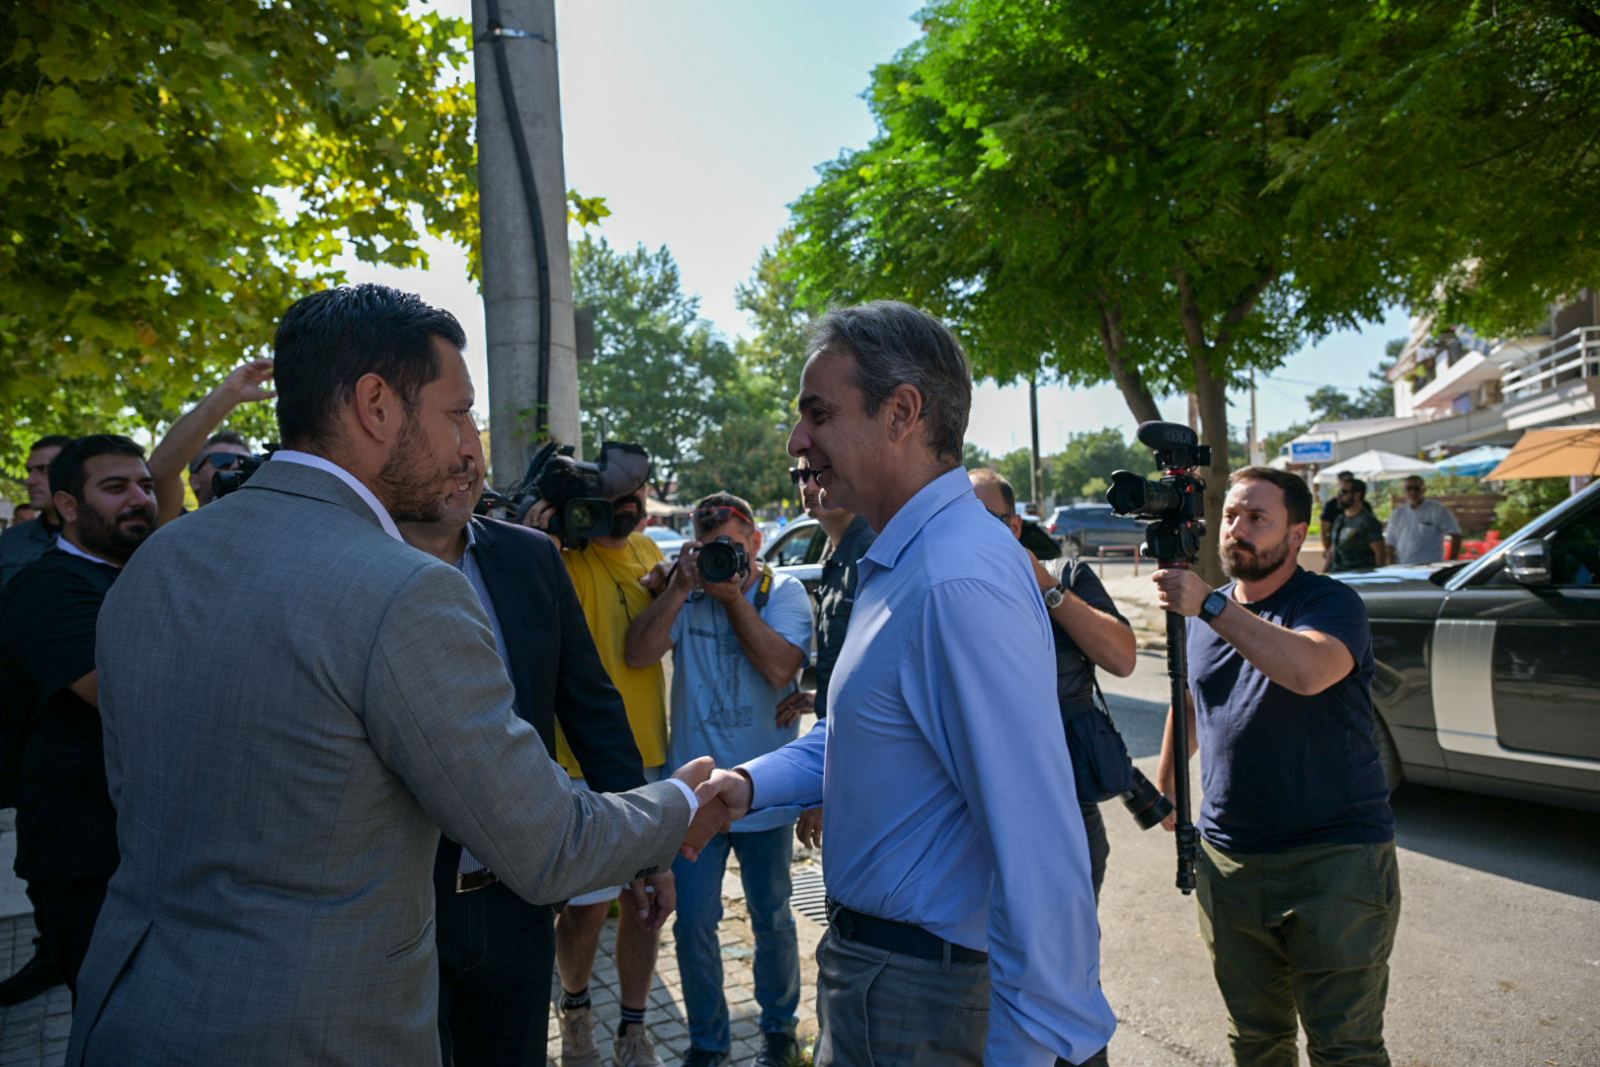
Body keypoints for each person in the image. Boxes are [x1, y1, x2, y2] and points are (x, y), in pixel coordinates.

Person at [65, 283, 728, 1067]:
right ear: (376, 405)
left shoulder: (157, 560)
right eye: (458, 413)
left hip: (128, 1010)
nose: (469, 445)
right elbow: (547, 842)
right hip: (314, 1029)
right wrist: (679, 802)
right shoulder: (402, 590)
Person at [696, 301, 1114, 1066]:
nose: (797, 441)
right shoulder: (909, 560)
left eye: (819, 413)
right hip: (892, 983)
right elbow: (869, 734)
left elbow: (1039, 850)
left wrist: (1034, 1051)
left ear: (902, 412)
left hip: (923, 995)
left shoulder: (954, 578)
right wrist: (748, 785)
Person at [398, 429, 662, 1067]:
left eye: (471, 422)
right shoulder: (360, 561)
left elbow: (593, 708)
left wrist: (646, 852)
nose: (466, 449)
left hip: (517, 898)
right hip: (403, 905)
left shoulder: (530, 557)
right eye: (448, 419)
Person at [1152, 465, 1400, 1067]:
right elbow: (1192, 698)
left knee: (1345, 1048)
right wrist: (1168, 787)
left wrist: (1210, 605)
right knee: (1256, 1039)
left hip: (1333, 861)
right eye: (1230, 516)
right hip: (1229, 861)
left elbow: (1308, 671)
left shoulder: (1330, 603)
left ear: (1296, 534)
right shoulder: (1208, 615)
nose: (1236, 529)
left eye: (1257, 518)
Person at [626, 491, 812, 1067]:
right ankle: (708, 1043)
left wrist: (732, 599)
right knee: (693, 925)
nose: (722, 559)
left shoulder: (783, 592)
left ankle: (779, 1030)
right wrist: (679, 588)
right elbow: (638, 654)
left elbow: (781, 667)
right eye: (710, 548)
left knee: (772, 919)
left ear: (756, 542)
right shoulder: (687, 592)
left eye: (732, 546)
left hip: (765, 789)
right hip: (696, 795)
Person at [970, 467, 1135, 1067]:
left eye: (989, 521)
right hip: (980, 816)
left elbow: (1122, 656)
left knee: (1065, 976)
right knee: (986, 977)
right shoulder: (953, 588)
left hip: (1067, 812)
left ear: (1015, 525)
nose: (976, 534)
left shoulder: (1065, 576)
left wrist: (1046, 588)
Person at [523, 469, 675, 1067]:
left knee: (645, 905)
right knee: (586, 907)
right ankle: (577, 1013)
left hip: (648, 754)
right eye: (614, 496)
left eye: (637, 493)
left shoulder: (648, 551)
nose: (628, 505)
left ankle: (634, 1029)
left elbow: (646, 650)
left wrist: (672, 588)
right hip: (577, 760)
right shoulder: (563, 555)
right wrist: (541, 542)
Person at [0, 435, 156, 1001]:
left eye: (144, 485)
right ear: (67, 504)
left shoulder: (140, 572)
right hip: (85, 859)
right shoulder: (47, 590)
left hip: (145, 845)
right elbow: (133, 699)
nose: (139, 498)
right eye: (115, 487)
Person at [0, 433, 75, 1008]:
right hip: (29, 735)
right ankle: (52, 951)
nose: (33, 479)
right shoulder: (16, 547)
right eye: (31, 469)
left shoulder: (111, 546)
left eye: (46, 469)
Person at [781, 456, 876, 850]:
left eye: (818, 473)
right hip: (840, 752)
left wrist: (826, 788)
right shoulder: (836, 551)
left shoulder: (870, 552)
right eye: (800, 474)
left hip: (861, 767)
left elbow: (877, 688)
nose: (807, 485)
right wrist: (821, 698)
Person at [145, 359, 277, 524]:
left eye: (244, 461)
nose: (235, 466)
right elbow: (160, 472)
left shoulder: (272, 526)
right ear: (194, 481)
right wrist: (230, 393)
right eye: (222, 460)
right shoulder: (174, 524)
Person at [0, 435, 72, 586]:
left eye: (43, 470)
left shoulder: (103, 539)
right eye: (29, 471)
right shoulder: (11, 539)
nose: (29, 480)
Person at [1384, 476, 1461, 564]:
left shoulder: (1438, 510)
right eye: (1409, 488)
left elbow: (1456, 535)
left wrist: (1451, 562)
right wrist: (1390, 565)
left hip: (1431, 565)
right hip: (1404, 565)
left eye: (1416, 488)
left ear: (1423, 490)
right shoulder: (1397, 513)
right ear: (1404, 491)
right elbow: (1390, 542)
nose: (1412, 492)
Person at [1325, 478, 1387, 572]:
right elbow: (1333, 549)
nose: (1339, 496)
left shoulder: (1368, 521)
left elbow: (1380, 553)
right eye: (1339, 492)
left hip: (1361, 576)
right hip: (1338, 574)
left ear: (1357, 495)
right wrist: (1324, 571)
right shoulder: (1339, 520)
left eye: (1344, 492)